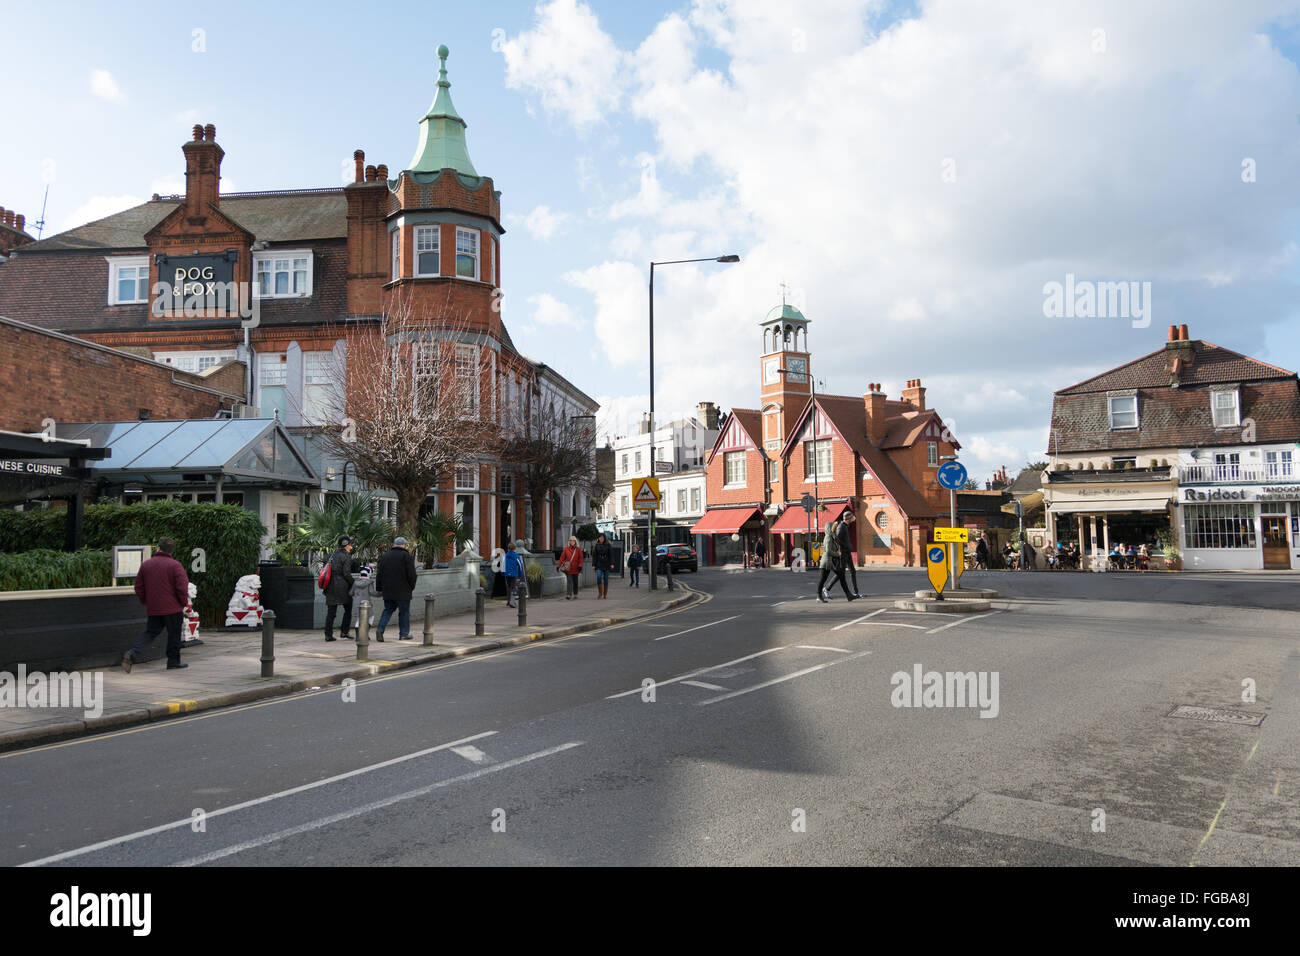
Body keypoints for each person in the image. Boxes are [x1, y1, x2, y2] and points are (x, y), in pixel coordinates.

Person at [121, 537, 191, 672]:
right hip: (173, 608)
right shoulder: (175, 565)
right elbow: (182, 588)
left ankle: (132, 653)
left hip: (154, 608)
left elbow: (139, 587)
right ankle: (173, 662)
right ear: (171, 551)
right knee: (174, 634)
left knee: (150, 633)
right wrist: (183, 603)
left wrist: (146, 601)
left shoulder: (146, 565)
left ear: (158, 548)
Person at [375, 536, 417, 641]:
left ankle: (380, 629)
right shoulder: (406, 556)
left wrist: (379, 588)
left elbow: (379, 574)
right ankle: (404, 634)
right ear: (404, 545)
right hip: (403, 591)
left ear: (394, 544)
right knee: (404, 612)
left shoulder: (385, 556)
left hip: (388, 590)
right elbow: (412, 575)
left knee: (388, 610)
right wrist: (411, 587)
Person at [324, 535, 355, 642]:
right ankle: (344, 631)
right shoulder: (346, 556)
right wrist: (353, 583)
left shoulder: (332, 555)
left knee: (331, 611)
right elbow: (346, 574)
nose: (351, 547)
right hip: (342, 586)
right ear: (346, 546)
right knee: (348, 608)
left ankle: (328, 634)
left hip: (331, 585)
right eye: (350, 545)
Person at [817, 519, 855, 602]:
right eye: (834, 527)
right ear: (829, 528)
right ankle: (819, 596)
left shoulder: (833, 537)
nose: (835, 528)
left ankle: (849, 595)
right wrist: (838, 554)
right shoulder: (828, 538)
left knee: (842, 576)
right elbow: (828, 551)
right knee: (823, 579)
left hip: (833, 561)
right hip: (827, 562)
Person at [837, 512, 863, 597]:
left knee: (852, 571)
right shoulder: (841, 526)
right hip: (843, 552)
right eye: (851, 517)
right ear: (848, 518)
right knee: (841, 572)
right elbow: (838, 539)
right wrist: (841, 549)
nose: (853, 519)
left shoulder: (845, 526)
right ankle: (827, 588)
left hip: (847, 552)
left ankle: (856, 592)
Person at [350, 564, 377, 632]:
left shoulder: (355, 582)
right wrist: (381, 594)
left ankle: (358, 636)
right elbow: (372, 592)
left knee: (358, 619)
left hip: (356, 604)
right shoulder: (369, 583)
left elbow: (350, 593)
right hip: (366, 604)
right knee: (371, 617)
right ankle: (364, 634)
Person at [558, 535, 584, 600]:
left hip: (576, 568)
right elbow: (562, 558)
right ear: (569, 541)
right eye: (570, 540)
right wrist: (558, 565)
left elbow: (581, 558)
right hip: (568, 569)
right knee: (569, 581)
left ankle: (575, 594)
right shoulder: (566, 549)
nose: (572, 541)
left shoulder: (578, 549)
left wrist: (580, 566)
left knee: (575, 582)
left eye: (573, 540)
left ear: (575, 542)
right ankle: (569, 594)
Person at [592, 533, 613, 599]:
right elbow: (594, 556)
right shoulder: (596, 545)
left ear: (604, 538)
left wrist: (612, 563)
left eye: (602, 537)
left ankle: (605, 594)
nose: (601, 539)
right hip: (599, 564)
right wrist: (593, 565)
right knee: (598, 577)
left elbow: (611, 555)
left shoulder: (608, 545)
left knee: (606, 579)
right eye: (600, 537)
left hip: (607, 563)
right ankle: (600, 593)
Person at [503, 540, 524, 608]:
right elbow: (520, 565)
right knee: (513, 588)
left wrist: (504, 573)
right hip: (514, 574)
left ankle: (508, 601)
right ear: (515, 549)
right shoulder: (516, 556)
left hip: (506, 574)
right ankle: (512, 602)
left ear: (508, 548)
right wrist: (520, 574)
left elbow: (502, 565)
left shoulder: (505, 555)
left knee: (508, 587)